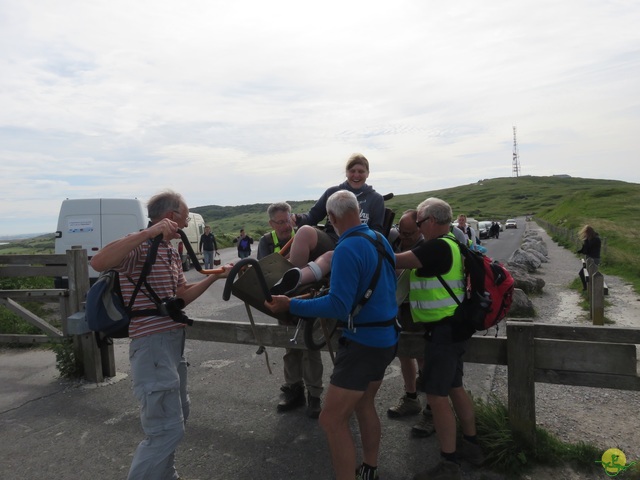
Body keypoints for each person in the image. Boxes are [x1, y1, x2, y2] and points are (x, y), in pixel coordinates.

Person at [90, 190, 232, 480]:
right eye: (185, 217)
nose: (186, 222)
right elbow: (100, 261)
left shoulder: (169, 251)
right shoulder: (142, 247)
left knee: (177, 418)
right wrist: (149, 232)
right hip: (152, 347)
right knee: (165, 430)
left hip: (172, 344)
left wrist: (215, 275)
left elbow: (180, 296)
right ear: (170, 217)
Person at [265, 190, 399, 480]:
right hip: (387, 337)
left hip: (364, 344)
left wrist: (292, 304)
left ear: (333, 217)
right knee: (364, 404)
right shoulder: (379, 239)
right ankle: (370, 468)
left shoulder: (349, 248)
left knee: (331, 420)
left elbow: (338, 305)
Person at [395, 197, 484, 480]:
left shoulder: (436, 247)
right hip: (456, 329)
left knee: (437, 396)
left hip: (443, 333)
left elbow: (394, 259)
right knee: (456, 387)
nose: (418, 229)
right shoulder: (455, 244)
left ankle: (449, 464)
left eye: (420, 223)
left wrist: (369, 244)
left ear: (431, 221)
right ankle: (471, 446)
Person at [257, 202, 324, 418]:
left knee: (310, 349)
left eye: (288, 220)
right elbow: (263, 275)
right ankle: (294, 390)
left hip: (306, 301)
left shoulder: (305, 237)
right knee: (290, 348)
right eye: (280, 222)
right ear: (271, 224)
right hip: (280, 304)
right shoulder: (266, 242)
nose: (286, 226)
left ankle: (314, 395)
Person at [288, 153, 385, 269]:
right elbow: (313, 216)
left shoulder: (375, 199)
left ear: (367, 174)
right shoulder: (332, 192)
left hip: (359, 244)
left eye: (361, 171)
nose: (356, 175)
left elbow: (377, 230)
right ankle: (293, 279)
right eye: (352, 171)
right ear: (346, 172)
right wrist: (299, 219)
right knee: (304, 232)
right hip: (332, 240)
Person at [387, 210, 426, 421]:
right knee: (403, 353)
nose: (405, 236)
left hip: (420, 309)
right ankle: (411, 398)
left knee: (423, 355)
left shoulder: (425, 247)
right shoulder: (395, 242)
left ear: (420, 229)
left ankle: (431, 410)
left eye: (410, 233)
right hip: (399, 308)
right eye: (402, 231)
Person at [577, 224, 602, 290]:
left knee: (582, 273)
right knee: (588, 274)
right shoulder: (595, 239)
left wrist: (585, 242)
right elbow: (586, 249)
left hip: (592, 260)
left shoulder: (594, 240)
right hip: (593, 259)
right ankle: (588, 288)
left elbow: (587, 250)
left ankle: (587, 288)